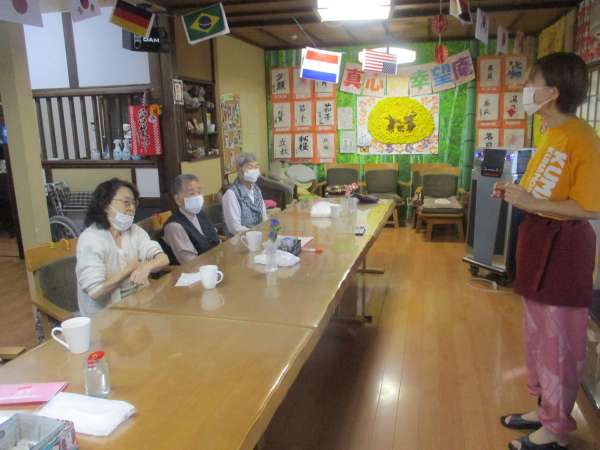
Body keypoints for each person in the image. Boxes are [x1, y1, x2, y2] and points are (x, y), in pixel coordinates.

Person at [494, 53, 600, 450]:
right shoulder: (551, 133)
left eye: (531, 82)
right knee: (538, 336)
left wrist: (532, 202)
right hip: (539, 243)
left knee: (560, 343)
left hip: (565, 248)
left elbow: (591, 206)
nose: (525, 89)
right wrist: (516, 193)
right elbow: (544, 192)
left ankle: (556, 430)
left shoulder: (582, 138)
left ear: (552, 92)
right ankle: (545, 409)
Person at [76, 178, 169, 317]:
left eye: (134, 203)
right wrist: (129, 270)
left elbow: (163, 259)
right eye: (126, 202)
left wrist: (147, 266)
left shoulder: (135, 231)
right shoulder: (91, 239)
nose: (132, 208)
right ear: (105, 205)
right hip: (105, 317)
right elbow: (95, 292)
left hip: (139, 306)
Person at [159, 174, 220, 265]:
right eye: (191, 193)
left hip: (215, 262)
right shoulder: (174, 227)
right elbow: (190, 263)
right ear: (177, 200)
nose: (197, 197)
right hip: (197, 270)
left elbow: (215, 240)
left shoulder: (200, 214)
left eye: (199, 192)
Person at [222, 152, 267, 235]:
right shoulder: (231, 194)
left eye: (256, 167)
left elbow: (264, 215)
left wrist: (266, 229)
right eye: (250, 167)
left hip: (259, 235)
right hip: (240, 239)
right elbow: (235, 228)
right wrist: (256, 233)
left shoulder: (256, 189)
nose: (254, 170)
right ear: (239, 169)